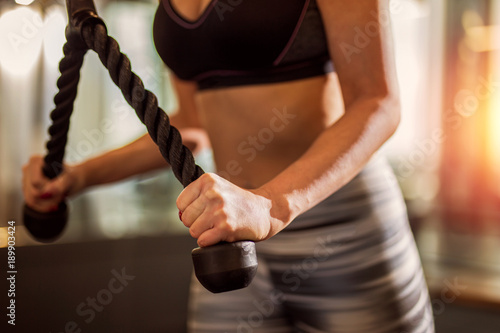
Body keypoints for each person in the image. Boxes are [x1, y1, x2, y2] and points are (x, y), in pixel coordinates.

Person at [23, 0, 435, 331]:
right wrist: (78, 176)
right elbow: (191, 124)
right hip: (232, 238)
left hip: (340, 228)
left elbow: (377, 102)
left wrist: (269, 205)